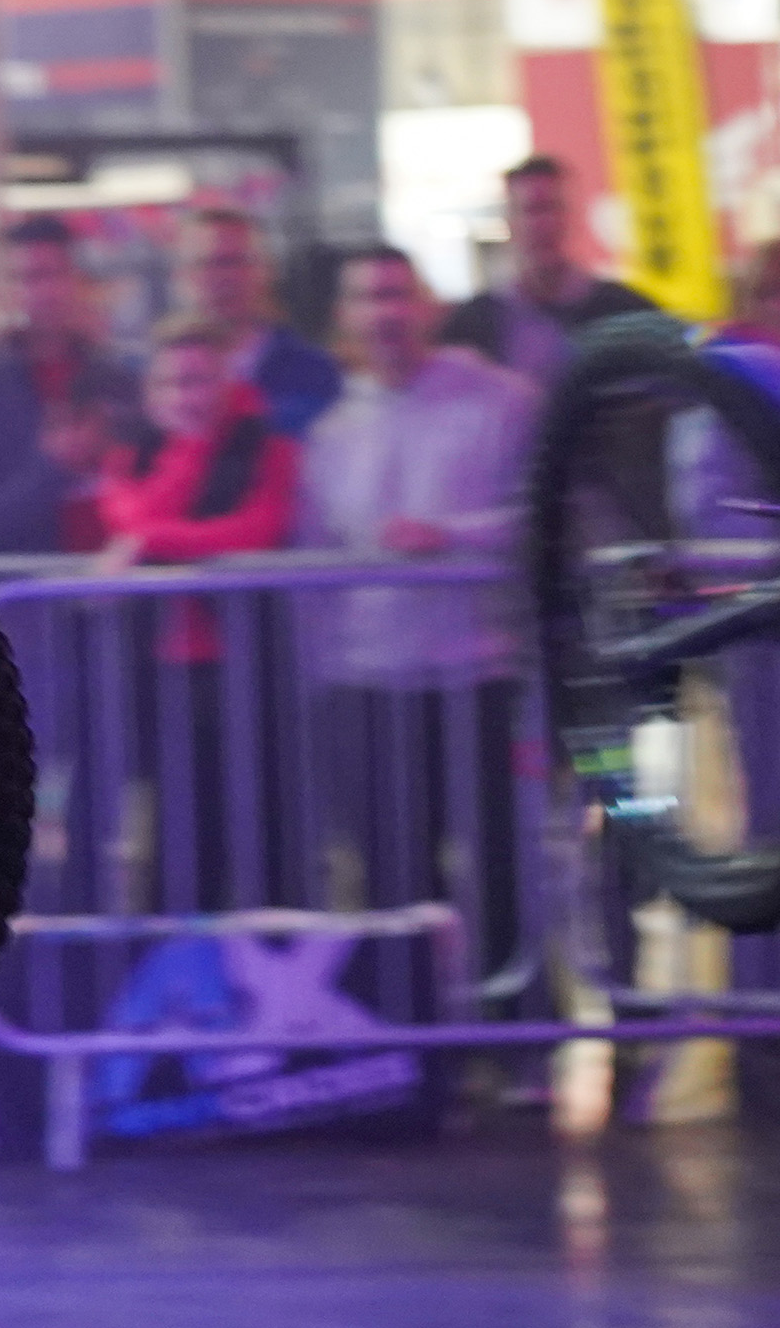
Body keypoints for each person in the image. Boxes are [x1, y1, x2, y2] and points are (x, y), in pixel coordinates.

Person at [298, 247, 538, 991]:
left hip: (477, 671)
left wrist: (452, 537)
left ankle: (513, 1026)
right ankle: (414, 1029)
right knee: (391, 877)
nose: (386, 314)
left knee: (500, 866)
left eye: (398, 294)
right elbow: (314, 559)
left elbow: (545, 517)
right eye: (368, 298)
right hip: (368, 682)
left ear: (428, 304)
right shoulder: (330, 434)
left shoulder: (502, 402)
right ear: (343, 317)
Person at [97, 320, 300, 905]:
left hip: (246, 664)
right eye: (171, 383)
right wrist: (189, 451)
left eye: (199, 381)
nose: (186, 397)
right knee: (177, 826)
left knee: (261, 819)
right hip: (160, 668)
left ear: (227, 385)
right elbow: (128, 517)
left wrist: (149, 541)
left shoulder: (269, 448)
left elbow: (256, 531)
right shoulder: (131, 456)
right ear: (150, 393)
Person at [0, 214, 144, 556]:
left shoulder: (118, 381)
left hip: (123, 577)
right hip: (29, 579)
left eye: (53, 274)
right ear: (5, 291)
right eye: (25, 278)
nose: (43, 292)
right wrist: (51, 469)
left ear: (77, 280)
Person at [441, 154, 658, 387]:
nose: (545, 224)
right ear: (510, 221)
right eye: (532, 210)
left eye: (554, 208)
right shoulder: (472, 325)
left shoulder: (625, 311)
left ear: (574, 216)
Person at [176, 205, 342, 438]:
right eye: (205, 263)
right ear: (182, 276)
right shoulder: (159, 377)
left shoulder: (313, 372)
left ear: (267, 270)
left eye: (234, 262)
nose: (222, 277)